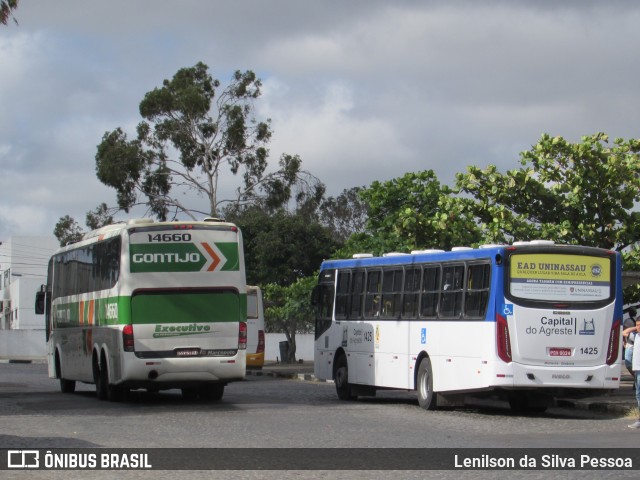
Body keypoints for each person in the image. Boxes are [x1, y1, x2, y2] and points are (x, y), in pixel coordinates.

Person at [628, 319, 640, 429]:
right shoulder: (635, 336)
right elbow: (624, 333)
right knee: (638, 395)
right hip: (637, 369)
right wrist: (634, 328)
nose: (638, 327)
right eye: (637, 325)